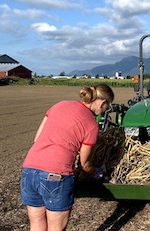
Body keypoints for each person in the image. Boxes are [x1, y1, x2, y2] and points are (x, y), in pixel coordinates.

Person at [20, 83, 114, 231]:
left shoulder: (59, 105)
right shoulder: (91, 124)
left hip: (29, 170)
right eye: (106, 107)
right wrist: (97, 173)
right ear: (102, 103)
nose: (104, 111)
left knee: (37, 223)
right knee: (56, 227)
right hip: (56, 176)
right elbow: (84, 164)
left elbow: (37, 139)